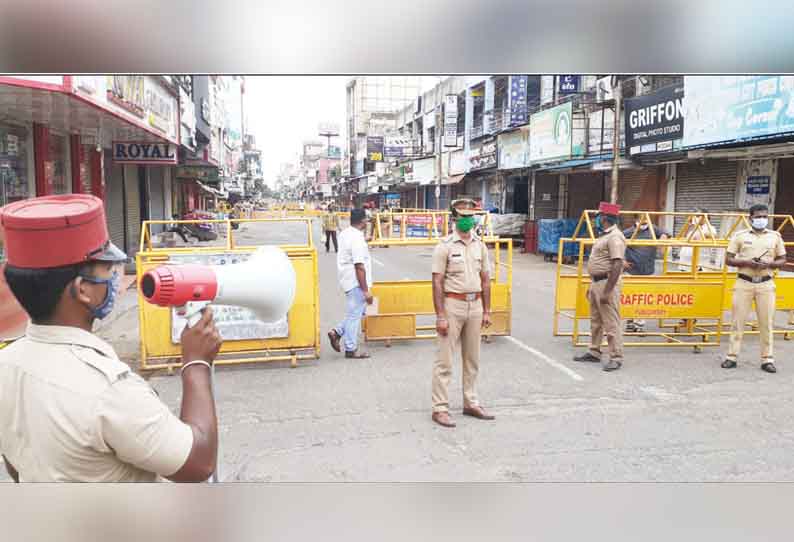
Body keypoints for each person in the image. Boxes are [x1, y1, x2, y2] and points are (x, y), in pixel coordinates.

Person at [0, 194, 222, 482]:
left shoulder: (7, 363)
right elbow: (199, 462)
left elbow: (15, 463)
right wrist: (196, 363)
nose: (116, 278)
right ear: (83, 290)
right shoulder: (107, 391)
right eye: (107, 269)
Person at [430, 199, 494, 428]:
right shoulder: (444, 246)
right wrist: (440, 315)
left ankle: (471, 402)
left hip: (475, 305)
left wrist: (487, 310)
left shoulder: (480, 245)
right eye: (465, 216)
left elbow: (486, 280)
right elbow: (437, 282)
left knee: (472, 359)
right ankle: (440, 408)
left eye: (472, 216)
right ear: (456, 218)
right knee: (444, 360)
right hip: (452, 305)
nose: (470, 220)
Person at [722, 204, 787, 373]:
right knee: (737, 322)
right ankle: (732, 356)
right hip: (744, 283)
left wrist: (770, 264)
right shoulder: (740, 236)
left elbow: (782, 259)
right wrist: (746, 263)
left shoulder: (775, 236)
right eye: (758, 217)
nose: (762, 220)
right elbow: (728, 259)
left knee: (766, 323)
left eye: (764, 217)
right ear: (751, 218)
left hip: (766, 283)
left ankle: (767, 359)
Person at [574, 202, 626, 372]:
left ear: (604, 218)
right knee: (596, 321)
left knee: (611, 322)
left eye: (598, 217)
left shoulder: (614, 237)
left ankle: (616, 357)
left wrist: (607, 290)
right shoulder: (604, 235)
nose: (596, 219)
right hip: (597, 281)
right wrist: (593, 285)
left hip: (606, 282)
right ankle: (594, 351)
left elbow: (617, 263)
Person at [327, 209, 373, 359]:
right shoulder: (357, 239)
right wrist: (365, 290)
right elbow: (359, 266)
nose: (367, 222)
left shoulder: (346, 233)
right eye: (366, 220)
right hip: (356, 281)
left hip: (347, 279)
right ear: (362, 221)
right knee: (355, 315)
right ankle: (350, 349)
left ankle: (337, 332)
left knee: (360, 311)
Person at [622, 214, 670, 333]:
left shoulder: (653, 229)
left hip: (647, 270)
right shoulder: (628, 232)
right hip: (632, 270)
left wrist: (663, 238)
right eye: (641, 219)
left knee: (642, 297)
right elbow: (616, 244)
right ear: (636, 220)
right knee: (631, 297)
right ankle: (630, 321)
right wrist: (622, 260)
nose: (643, 222)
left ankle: (639, 324)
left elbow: (666, 233)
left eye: (645, 220)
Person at [679, 207, 716, 272]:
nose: (695, 218)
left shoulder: (709, 228)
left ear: (705, 217)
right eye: (695, 216)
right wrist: (688, 224)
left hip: (698, 266)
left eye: (698, 216)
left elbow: (712, 235)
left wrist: (698, 226)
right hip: (685, 264)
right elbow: (682, 239)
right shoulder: (692, 229)